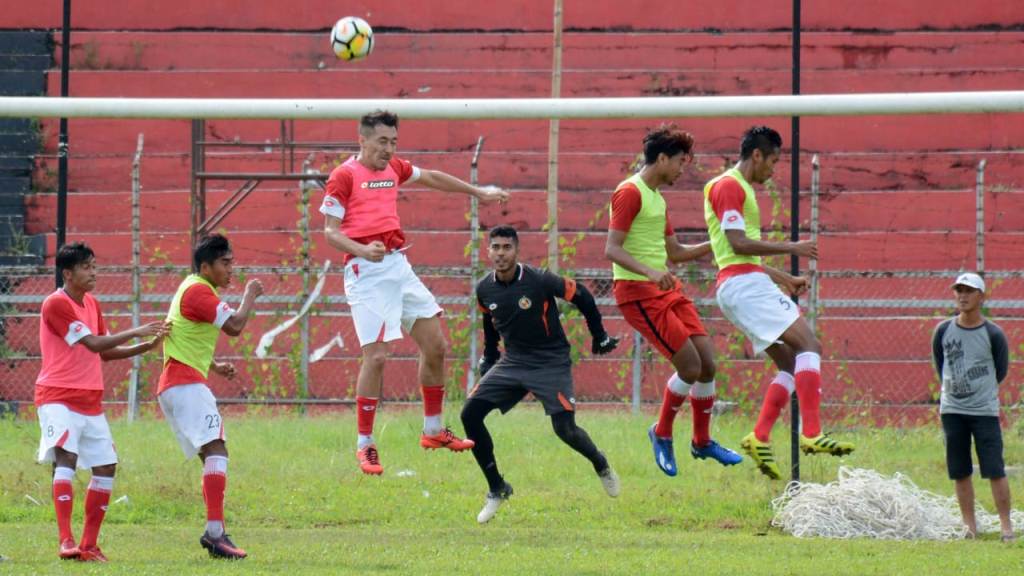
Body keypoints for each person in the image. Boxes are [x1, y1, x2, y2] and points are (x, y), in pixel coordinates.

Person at [320, 109, 509, 475]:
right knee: (376, 357)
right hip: (365, 272)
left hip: (397, 265)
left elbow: (432, 177)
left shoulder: (394, 168)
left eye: (393, 142)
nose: (388, 149)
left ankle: (433, 430)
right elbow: (330, 231)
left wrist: (477, 193)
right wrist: (361, 249)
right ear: (362, 140)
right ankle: (365, 445)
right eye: (381, 142)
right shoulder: (343, 176)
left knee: (436, 345)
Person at [703, 125, 854, 481]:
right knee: (809, 345)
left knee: (789, 364)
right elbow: (738, 244)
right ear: (757, 155)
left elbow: (736, 254)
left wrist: (785, 279)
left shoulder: (734, 188)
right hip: (742, 285)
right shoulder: (729, 186)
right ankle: (813, 432)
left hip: (741, 282)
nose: (773, 170)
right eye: (772, 160)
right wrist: (792, 248)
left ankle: (759, 436)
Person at [604, 123, 742, 478]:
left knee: (708, 364)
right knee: (690, 367)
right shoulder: (629, 192)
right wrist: (650, 272)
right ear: (662, 158)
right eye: (681, 162)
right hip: (638, 295)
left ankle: (702, 440)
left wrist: (717, 245)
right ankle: (661, 432)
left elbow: (675, 253)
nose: (683, 169)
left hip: (666, 289)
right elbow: (612, 249)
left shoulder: (658, 198)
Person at [462, 225, 621, 523]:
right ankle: (497, 488)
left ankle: (600, 463)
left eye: (506, 247)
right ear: (488, 251)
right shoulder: (484, 288)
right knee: (469, 415)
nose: (500, 253)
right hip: (514, 361)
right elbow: (490, 323)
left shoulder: (540, 279)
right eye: (495, 247)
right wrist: (490, 356)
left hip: (550, 361)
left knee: (565, 430)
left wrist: (598, 335)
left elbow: (583, 296)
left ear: (517, 250)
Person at [36, 242, 170, 562]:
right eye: (86, 267)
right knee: (66, 457)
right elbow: (94, 344)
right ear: (68, 273)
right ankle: (66, 540)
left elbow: (106, 353)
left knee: (106, 466)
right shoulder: (56, 304)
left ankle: (89, 546)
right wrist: (138, 330)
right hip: (57, 395)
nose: (93, 272)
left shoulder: (92, 304)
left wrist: (147, 346)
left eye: (94, 265)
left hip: (89, 400)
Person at [157, 233, 263, 559]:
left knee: (211, 455)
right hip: (185, 384)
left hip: (180, 381)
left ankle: (216, 533)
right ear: (206, 266)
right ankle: (215, 535)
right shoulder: (199, 291)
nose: (232, 269)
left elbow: (180, 333)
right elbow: (234, 325)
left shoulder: (193, 287)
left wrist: (214, 366)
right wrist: (250, 295)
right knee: (217, 449)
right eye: (225, 263)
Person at [932, 272, 1014, 541]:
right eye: (959, 291)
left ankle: (1006, 527)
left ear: (982, 296)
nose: (962, 296)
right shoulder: (943, 330)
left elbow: (1000, 370)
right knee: (960, 469)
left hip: (984, 412)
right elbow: (940, 365)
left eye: (968, 291)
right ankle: (970, 527)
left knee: (995, 468)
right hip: (952, 411)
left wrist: (981, 392)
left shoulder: (993, 334)